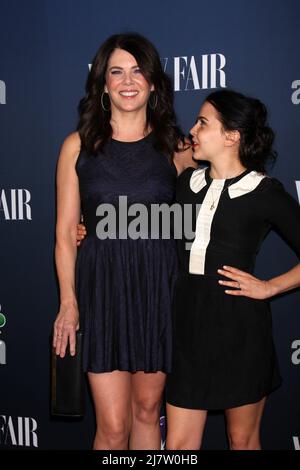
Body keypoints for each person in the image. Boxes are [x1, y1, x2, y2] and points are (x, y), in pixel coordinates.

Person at [52, 32, 195, 450]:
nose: (127, 81)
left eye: (138, 71)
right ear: (102, 83)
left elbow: (217, 196)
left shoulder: (178, 147)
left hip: (158, 289)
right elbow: (64, 232)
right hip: (102, 290)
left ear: (153, 83)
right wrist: (68, 302)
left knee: (149, 412)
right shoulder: (76, 147)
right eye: (116, 71)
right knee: (113, 428)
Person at [165, 89, 300, 450]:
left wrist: (270, 287)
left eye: (203, 122)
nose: (192, 128)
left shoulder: (264, 191)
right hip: (187, 330)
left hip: (241, 332)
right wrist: (91, 227)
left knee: (241, 440)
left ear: (232, 135)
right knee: (178, 448)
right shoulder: (186, 183)